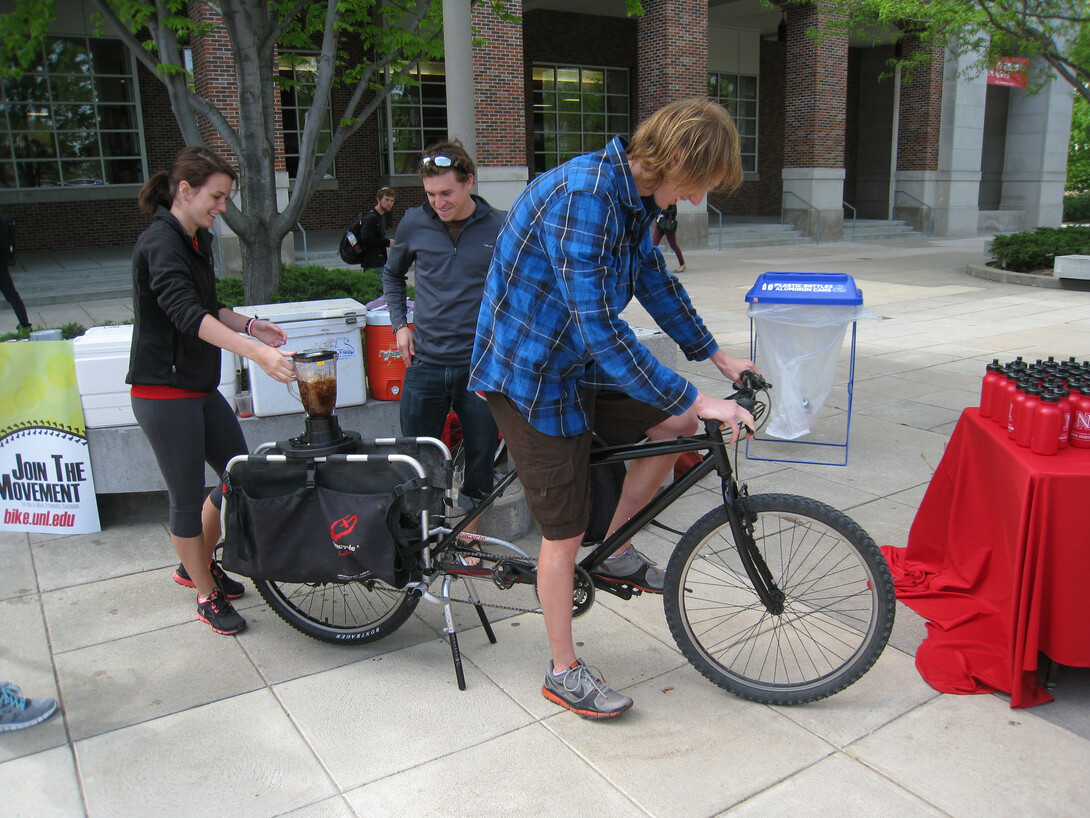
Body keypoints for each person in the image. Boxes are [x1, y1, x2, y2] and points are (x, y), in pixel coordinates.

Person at [469, 97, 757, 719]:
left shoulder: (634, 200)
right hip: (530, 372)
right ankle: (562, 671)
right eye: (699, 183)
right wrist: (699, 394)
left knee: (677, 424)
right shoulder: (586, 197)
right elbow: (598, 324)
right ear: (676, 158)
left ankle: (619, 549)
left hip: (574, 356)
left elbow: (654, 280)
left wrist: (718, 358)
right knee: (564, 532)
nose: (699, 199)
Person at [128, 146, 296, 636]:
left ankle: (194, 564)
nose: (222, 208)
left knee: (234, 476)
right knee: (185, 497)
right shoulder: (161, 241)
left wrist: (252, 324)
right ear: (185, 190)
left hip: (198, 387)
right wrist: (255, 353)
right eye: (216, 197)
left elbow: (208, 305)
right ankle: (204, 592)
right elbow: (185, 313)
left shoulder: (191, 238)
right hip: (163, 392)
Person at [382, 142, 504, 549]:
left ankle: (468, 534)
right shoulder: (414, 222)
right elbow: (392, 276)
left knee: (481, 458)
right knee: (417, 457)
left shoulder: (500, 226)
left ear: (469, 182)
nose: (438, 203)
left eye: (447, 193)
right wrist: (400, 325)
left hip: (480, 366)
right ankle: (429, 533)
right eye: (431, 195)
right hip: (425, 364)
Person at [358, 186, 397, 269]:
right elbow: (366, 239)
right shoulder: (371, 217)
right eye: (386, 199)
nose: (389, 203)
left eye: (392, 201)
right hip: (373, 263)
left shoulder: (381, 217)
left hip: (380, 260)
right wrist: (387, 242)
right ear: (378, 199)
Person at [652, 203, 686, 272]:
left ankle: (682, 264)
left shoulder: (670, 199)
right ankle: (651, 264)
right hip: (660, 224)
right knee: (653, 244)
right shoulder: (658, 198)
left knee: (673, 245)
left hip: (668, 224)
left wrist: (662, 210)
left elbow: (673, 211)